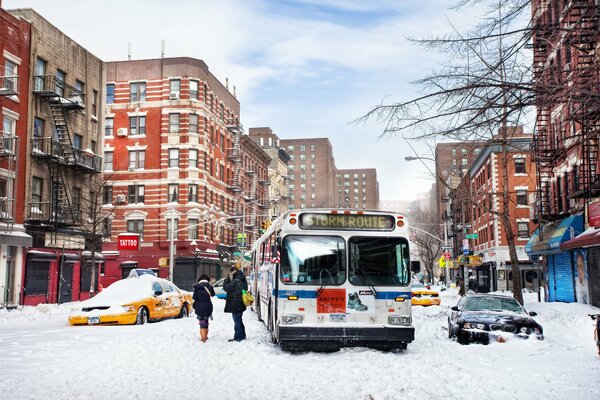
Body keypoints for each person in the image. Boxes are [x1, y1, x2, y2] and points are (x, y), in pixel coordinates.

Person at [223, 266, 248, 342]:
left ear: (232, 272)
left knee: (237, 320)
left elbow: (226, 288)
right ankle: (242, 335)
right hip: (240, 302)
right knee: (239, 319)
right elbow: (246, 288)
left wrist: (227, 280)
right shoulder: (242, 278)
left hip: (235, 303)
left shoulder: (235, 280)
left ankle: (238, 337)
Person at [192, 274, 215, 342]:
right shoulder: (210, 286)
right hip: (208, 305)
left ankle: (203, 337)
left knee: (201, 321)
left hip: (199, 306)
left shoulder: (197, 287)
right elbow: (213, 294)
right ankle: (205, 336)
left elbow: (194, 297)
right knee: (206, 320)